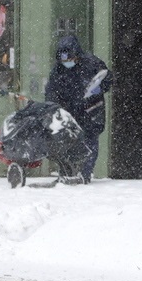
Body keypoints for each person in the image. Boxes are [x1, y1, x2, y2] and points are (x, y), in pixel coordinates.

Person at [45, 35, 113, 184]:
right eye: (64, 60)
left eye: (69, 59)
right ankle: (67, 172)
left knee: (89, 141)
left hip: (91, 110)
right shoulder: (58, 70)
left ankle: (85, 173)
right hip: (70, 112)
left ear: (76, 55)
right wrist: (53, 107)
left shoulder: (92, 63)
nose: (67, 63)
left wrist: (97, 90)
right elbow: (51, 90)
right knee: (67, 143)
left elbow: (107, 78)